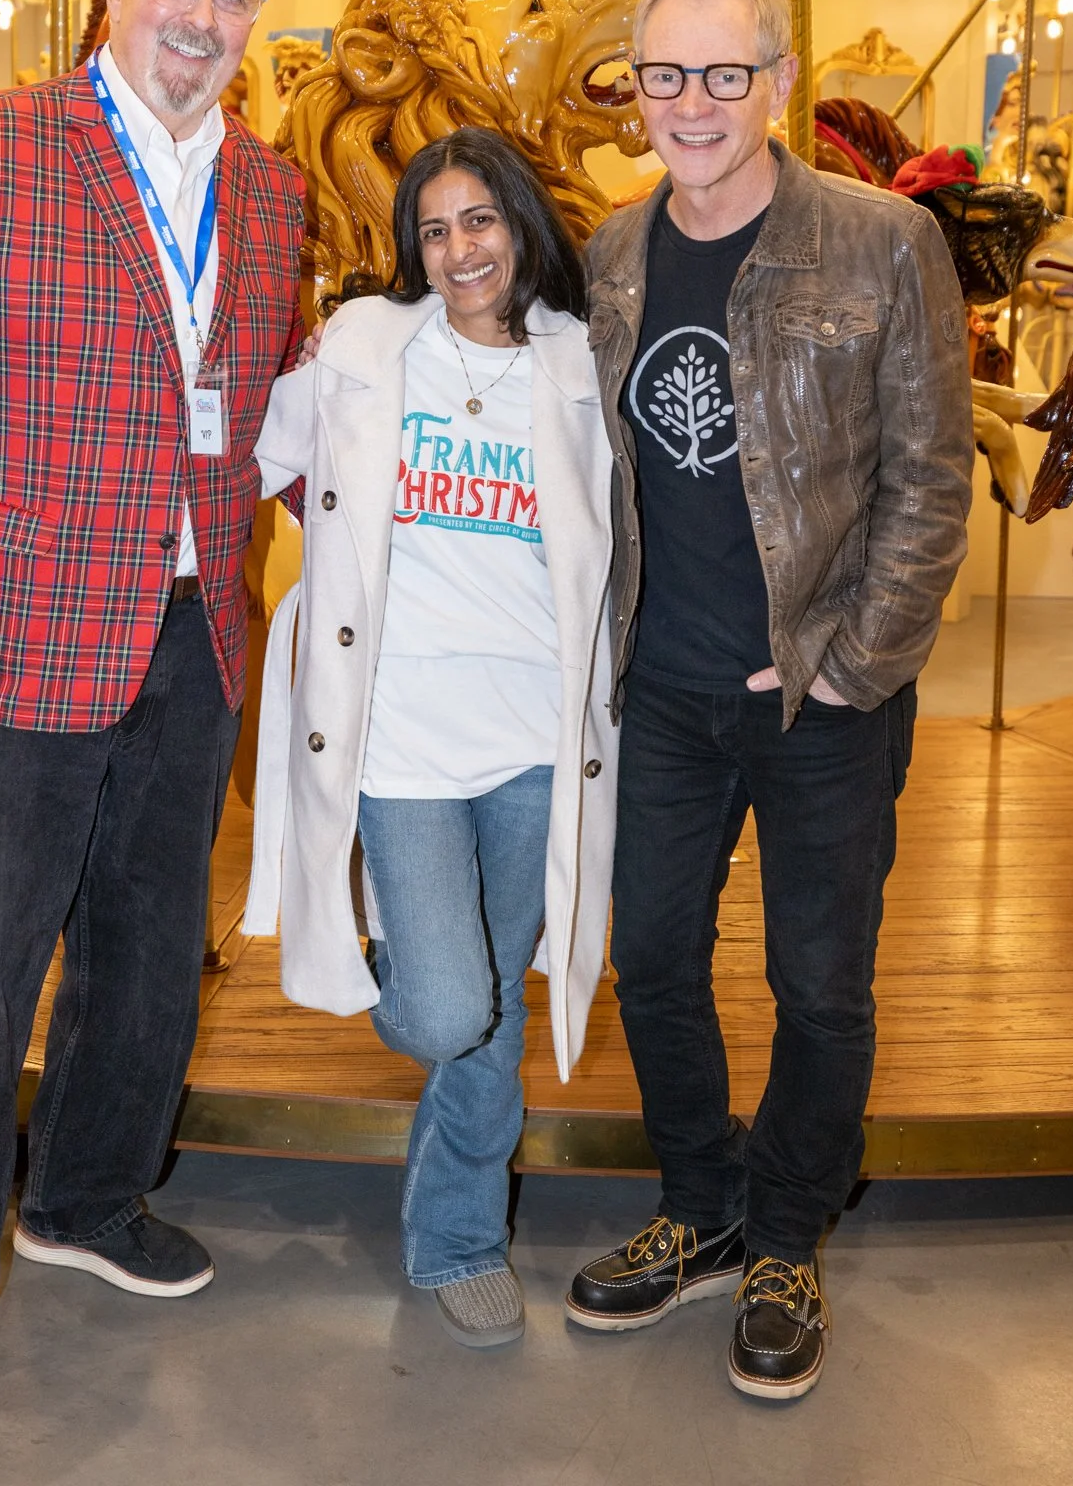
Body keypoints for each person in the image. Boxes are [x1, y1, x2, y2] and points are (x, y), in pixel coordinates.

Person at [0, 0, 305, 1439]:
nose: (200, 17)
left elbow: (254, 410)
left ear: (257, 19)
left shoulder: (269, 185)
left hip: (189, 632)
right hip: (3, 646)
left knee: (148, 957)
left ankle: (90, 1201)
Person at [565, 0, 973, 1398]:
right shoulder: (613, 254)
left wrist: (860, 665)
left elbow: (933, 479)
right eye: (662, 76)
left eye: (723, 74)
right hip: (662, 689)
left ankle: (791, 1233)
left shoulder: (878, 245)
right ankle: (703, 1199)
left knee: (820, 983)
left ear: (778, 84)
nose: (691, 103)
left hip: (818, 693)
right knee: (654, 960)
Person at [244, 127, 618, 1349]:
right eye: (435, 229)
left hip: (532, 741)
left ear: (520, 223)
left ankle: (455, 1234)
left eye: (480, 221)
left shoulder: (577, 360)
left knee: (497, 1015)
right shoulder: (361, 346)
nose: (459, 249)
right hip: (397, 733)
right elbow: (247, 452)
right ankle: (378, 962)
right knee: (452, 1001)